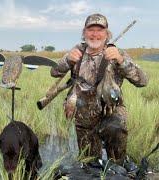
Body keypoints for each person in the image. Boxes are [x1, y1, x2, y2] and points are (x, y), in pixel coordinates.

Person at [51, 13, 148, 165]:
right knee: (90, 163)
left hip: (110, 112)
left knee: (115, 144)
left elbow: (142, 81)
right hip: (84, 117)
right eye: (91, 30)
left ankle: (118, 166)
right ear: (84, 32)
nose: (95, 34)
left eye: (100, 30)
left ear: (107, 33)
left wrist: (121, 61)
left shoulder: (117, 53)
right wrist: (68, 61)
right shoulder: (77, 51)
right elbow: (54, 72)